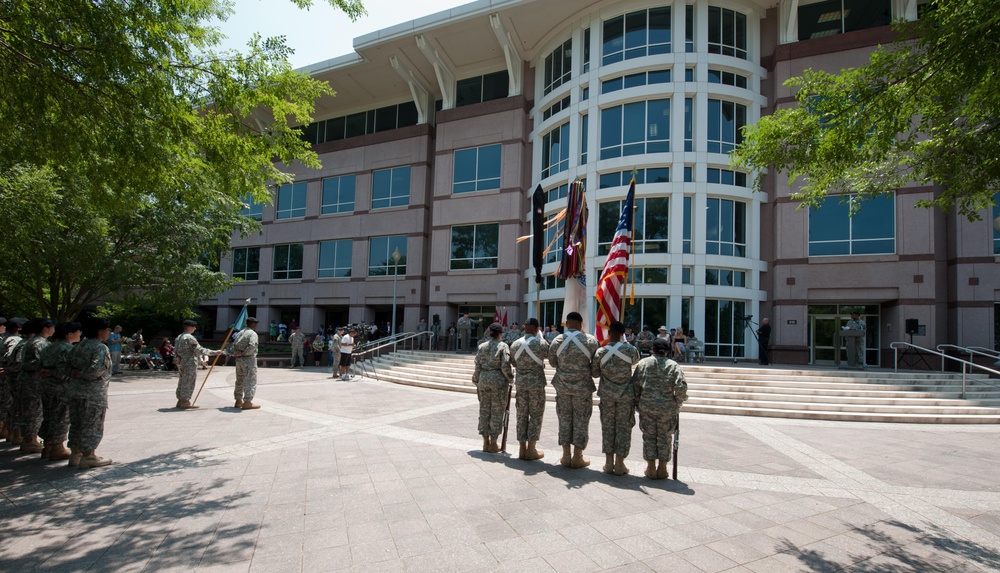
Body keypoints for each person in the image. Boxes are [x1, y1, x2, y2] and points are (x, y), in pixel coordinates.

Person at [547, 311, 599, 468]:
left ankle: (565, 455)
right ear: (581, 324)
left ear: (566, 323)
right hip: (582, 387)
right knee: (581, 419)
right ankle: (578, 456)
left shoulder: (557, 340)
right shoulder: (590, 341)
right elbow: (595, 367)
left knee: (564, 419)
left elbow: (552, 363)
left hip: (563, 386)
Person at [633, 338, 688, 480]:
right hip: (667, 409)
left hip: (647, 407)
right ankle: (662, 468)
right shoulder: (673, 365)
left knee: (649, 436)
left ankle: (651, 467)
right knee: (665, 437)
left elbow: (635, 386)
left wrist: (638, 403)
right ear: (667, 351)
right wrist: (677, 403)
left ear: (653, 350)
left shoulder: (643, 364)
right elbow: (681, 387)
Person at [591, 321, 640, 476]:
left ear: (609, 333)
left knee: (608, 427)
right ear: (622, 334)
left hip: (607, 395)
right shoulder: (630, 350)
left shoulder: (600, 352)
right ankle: (620, 463)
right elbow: (635, 361)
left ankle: (608, 462)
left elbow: (595, 373)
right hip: (625, 396)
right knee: (623, 428)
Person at [66, 317, 114, 468]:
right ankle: (89, 456)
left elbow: (67, 366)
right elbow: (95, 371)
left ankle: (75, 454)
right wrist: (83, 374)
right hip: (92, 393)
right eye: (107, 329)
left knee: (77, 423)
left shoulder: (78, 346)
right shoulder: (100, 348)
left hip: (75, 391)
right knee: (92, 424)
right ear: (100, 331)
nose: (108, 332)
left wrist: (76, 374)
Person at [38, 321, 80, 461]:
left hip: (45, 386)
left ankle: (47, 447)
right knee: (61, 417)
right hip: (61, 387)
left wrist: (47, 373)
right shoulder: (68, 349)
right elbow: (65, 371)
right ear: (69, 335)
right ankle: (57, 448)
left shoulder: (48, 347)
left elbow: (39, 368)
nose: (79, 334)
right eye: (78, 332)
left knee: (48, 415)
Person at [509, 318, 549, 461]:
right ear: (537, 329)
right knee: (536, 415)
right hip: (536, 385)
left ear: (524, 327)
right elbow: (550, 357)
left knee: (521, 414)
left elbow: (513, 362)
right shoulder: (541, 343)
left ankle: (522, 448)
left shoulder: (515, 344)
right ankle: (531, 449)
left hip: (521, 384)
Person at [472, 322, 512, 453]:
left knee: (484, 409)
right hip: (497, 381)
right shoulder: (503, 346)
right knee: (496, 411)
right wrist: (510, 378)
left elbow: (477, 365)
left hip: (483, 379)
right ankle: (493, 443)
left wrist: (476, 379)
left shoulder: (482, 346)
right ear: (500, 334)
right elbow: (505, 365)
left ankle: (485, 442)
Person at [17, 318, 55, 454]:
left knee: (30, 409)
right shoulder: (40, 343)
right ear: (45, 329)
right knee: (33, 411)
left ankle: (29, 440)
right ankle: (30, 441)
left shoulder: (32, 341)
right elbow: (43, 362)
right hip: (33, 381)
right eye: (52, 326)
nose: (54, 329)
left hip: (29, 380)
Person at [174, 319, 223, 409]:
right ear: (189, 327)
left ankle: (180, 400)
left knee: (182, 381)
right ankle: (185, 401)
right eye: (194, 327)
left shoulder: (179, 337)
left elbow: (175, 351)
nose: (195, 328)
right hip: (189, 363)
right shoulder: (189, 338)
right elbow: (199, 350)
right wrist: (214, 352)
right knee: (188, 382)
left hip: (181, 362)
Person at [232, 317, 261, 410]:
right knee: (250, 381)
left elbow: (234, 345)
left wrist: (237, 353)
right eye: (255, 324)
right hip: (249, 360)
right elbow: (252, 346)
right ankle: (247, 402)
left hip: (239, 360)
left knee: (239, 380)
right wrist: (244, 353)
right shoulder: (252, 334)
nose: (256, 326)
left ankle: (238, 400)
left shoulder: (240, 333)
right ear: (253, 324)